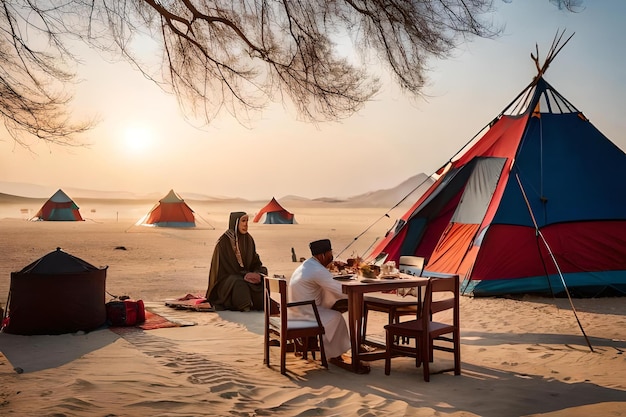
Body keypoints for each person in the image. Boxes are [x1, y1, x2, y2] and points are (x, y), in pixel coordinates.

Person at [289, 239, 361, 371]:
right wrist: (360, 294)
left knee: (333, 303)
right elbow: (339, 290)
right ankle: (335, 354)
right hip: (307, 313)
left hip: (297, 310)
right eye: (329, 254)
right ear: (322, 255)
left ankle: (334, 346)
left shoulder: (308, 264)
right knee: (336, 317)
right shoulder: (317, 270)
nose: (331, 257)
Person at [205, 212, 268, 311]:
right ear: (235, 223)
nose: (246, 224)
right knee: (239, 283)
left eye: (247, 221)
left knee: (263, 280)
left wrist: (256, 273)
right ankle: (244, 305)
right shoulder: (224, 241)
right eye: (243, 221)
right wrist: (245, 275)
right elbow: (227, 267)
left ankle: (260, 305)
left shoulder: (248, 239)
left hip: (245, 276)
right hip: (226, 280)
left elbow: (255, 261)